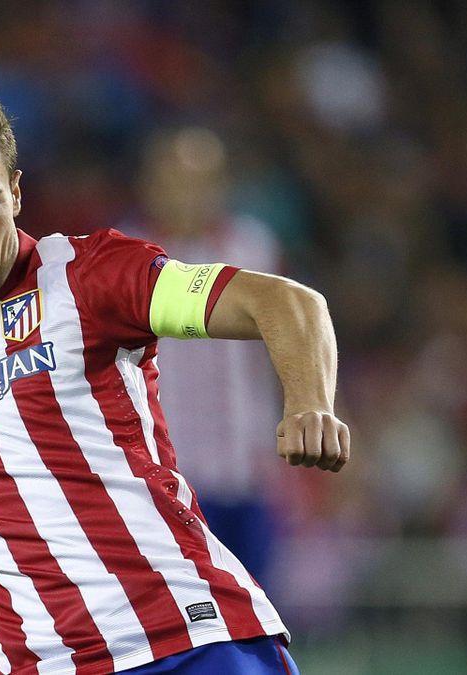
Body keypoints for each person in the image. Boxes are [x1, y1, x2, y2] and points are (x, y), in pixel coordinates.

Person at [0, 81, 349, 674]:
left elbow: (284, 303)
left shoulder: (88, 276)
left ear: (17, 193)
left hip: (189, 643)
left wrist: (310, 403)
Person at [126, 126, 289, 584]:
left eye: (201, 179)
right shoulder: (128, 254)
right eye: (175, 177)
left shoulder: (251, 247)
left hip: (247, 470)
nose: (188, 191)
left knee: (264, 608)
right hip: (167, 475)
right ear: (150, 183)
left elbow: (280, 348)